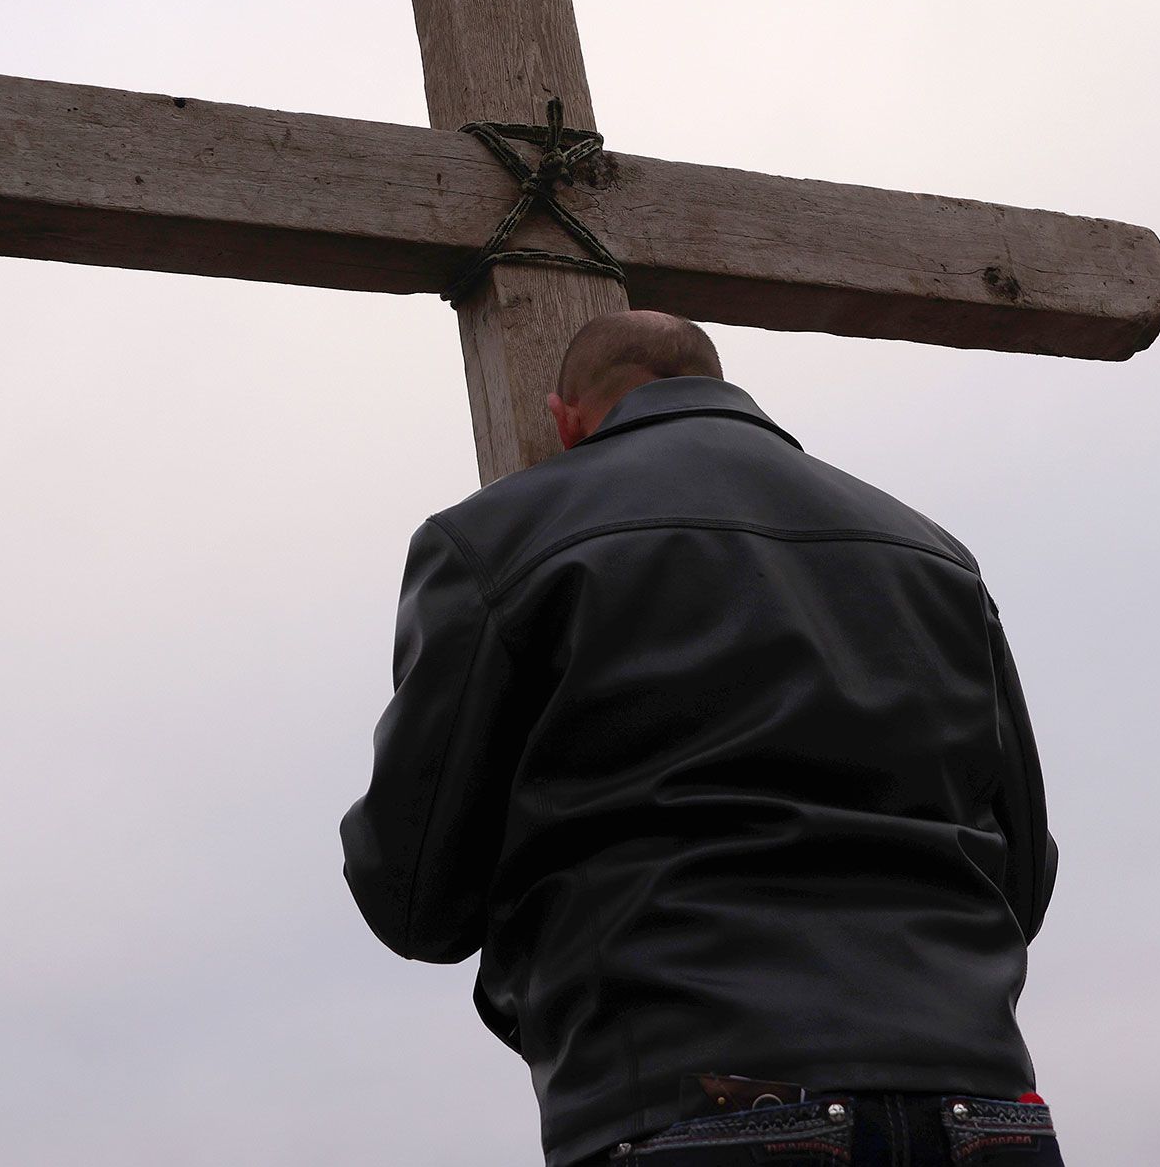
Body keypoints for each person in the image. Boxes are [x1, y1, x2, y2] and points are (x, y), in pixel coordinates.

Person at [340, 311, 1062, 1166]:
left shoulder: (497, 539)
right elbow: (1022, 874)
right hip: (983, 1104)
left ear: (563, 418)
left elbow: (416, 894)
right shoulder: (936, 552)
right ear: (729, 390)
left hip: (697, 1092)